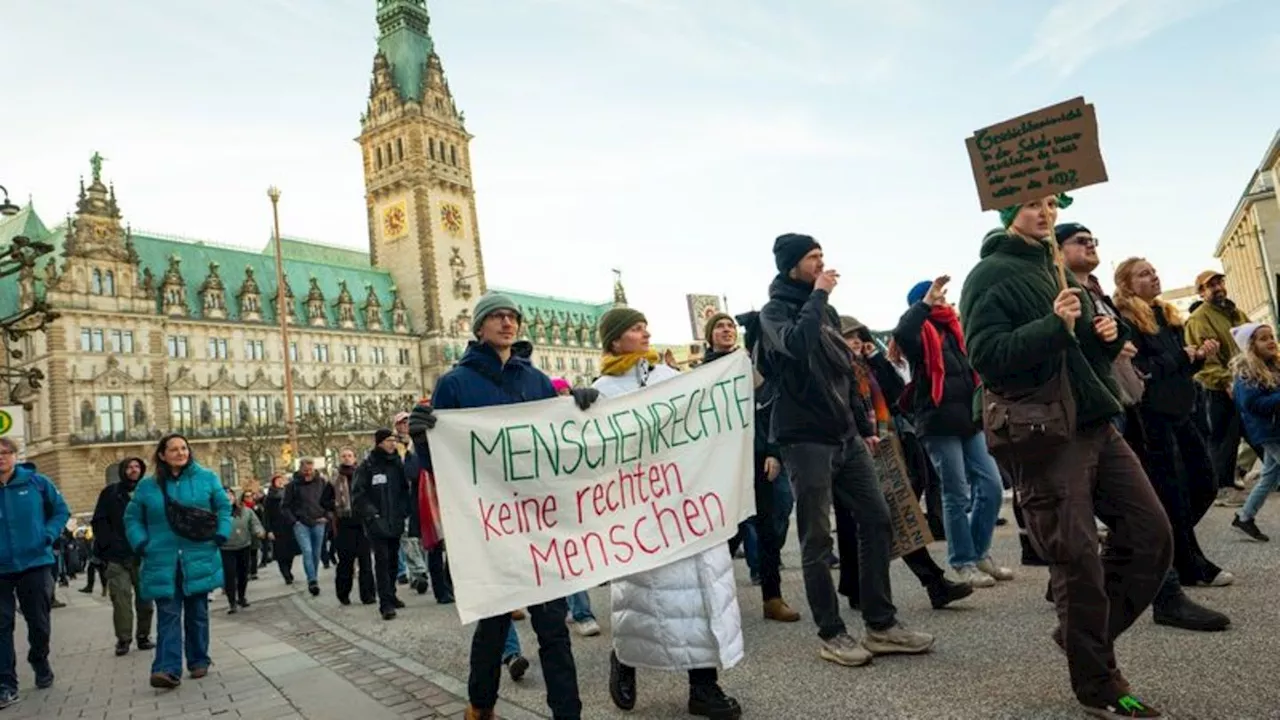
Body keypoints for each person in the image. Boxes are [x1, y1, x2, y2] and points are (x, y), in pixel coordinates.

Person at [960, 194, 1172, 718]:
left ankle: (1081, 637)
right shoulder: (988, 275)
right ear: (1008, 215)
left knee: (1151, 536)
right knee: (1076, 560)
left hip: (1097, 421)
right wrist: (1054, 325)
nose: (1045, 213)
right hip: (1046, 432)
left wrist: (1106, 334)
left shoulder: (1059, 271)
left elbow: (1086, 349)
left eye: (1051, 204)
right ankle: (1098, 684)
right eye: (1031, 205)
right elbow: (986, 355)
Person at [759, 233, 935, 669]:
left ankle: (881, 623)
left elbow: (845, 370)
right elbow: (797, 348)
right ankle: (832, 633)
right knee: (817, 537)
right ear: (791, 265)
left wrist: (861, 424)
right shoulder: (774, 311)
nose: (821, 263)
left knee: (877, 520)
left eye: (822, 255)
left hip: (846, 436)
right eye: (811, 257)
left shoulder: (828, 312)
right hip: (804, 437)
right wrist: (818, 297)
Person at [407, 291, 584, 720]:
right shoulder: (455, 383)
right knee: (493, 625)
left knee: (553, 630)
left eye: (512, 317)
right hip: (491, 527)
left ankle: (569, 714)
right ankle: (481, 706)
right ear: (479, 327)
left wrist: (583, 409)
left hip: (537, 522)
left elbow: (559, 443)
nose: (507, 323)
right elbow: (443, 463)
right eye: (497, 317)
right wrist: (421, 439)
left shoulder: (536, 380)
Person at [594, 306, 743, 720]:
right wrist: (582, 410)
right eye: (636, 328)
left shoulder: (669, 378)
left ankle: (704, 686)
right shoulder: (602, 390)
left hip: (688, 501)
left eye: (645, 326)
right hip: (641, 509)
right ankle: (624, 658)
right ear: (615, 340)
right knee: (644, 597)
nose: (646, 333)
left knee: (702, 595)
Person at [1112, 257, 1236, 600]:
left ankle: (1162, 548)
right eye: (1143, 274)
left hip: (1182, 411)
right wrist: (1182, 356)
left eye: (1154, 271)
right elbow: (1140, 371)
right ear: (1126, 284)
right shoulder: (1126, 319)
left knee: (1204, 483)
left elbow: (1179, 367)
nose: (1154, 276)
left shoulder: (1165, 315)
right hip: (1152, 418)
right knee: (1173, 495)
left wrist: (1197, 357)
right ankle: (1188, 562)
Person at [839, 317, 972, 610]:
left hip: (886, 445)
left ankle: (871, 588)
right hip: (853, 450)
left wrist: (876, 359)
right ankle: (929, 584)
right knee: (883, 517)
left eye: (859, 336)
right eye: (848, 337)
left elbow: (898, 393)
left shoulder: (867, 367)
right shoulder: (837, 370)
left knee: (892, 514)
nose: (857, 341)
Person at [894, 276, 1011, 587]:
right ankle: (962, 561)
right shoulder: (919, 335)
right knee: (956, 493)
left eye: (943, 293)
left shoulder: (956, 330)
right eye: (936, 295)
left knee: (992, 486)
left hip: (969, 421)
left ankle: (979, 551)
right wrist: (925, 303)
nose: (943, 298)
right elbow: (901, 331)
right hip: (937, 424)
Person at [702, 312, 801, 623]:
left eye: (730, 326)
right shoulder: (700, 373)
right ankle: (712, 595)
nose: (727, 330)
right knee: (725, 534)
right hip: (721, 463)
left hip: (756, 456)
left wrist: (773, 451)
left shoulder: (746, 363)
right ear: (709, 336)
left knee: (769, 528)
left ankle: (772, 597)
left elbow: (767, 404)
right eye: (719, 326)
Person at [124, 433, 232, 690]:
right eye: (173, 449)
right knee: (168, 614)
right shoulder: (148, 486)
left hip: (199, 554)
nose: (181, 453)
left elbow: (223, 507)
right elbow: (132, 518)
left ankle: (198, 659)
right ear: (162, 455)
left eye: (184, 448)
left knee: (197, 612)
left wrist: (221, 533)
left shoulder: (206, 478)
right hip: (162, 558)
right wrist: (141, 543)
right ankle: (167, 669)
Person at [0, 438, 69, 709]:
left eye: (6, 453)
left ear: (16, 456)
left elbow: (61, 511)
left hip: (35, 563)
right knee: (1, 626)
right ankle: (6, 684)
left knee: (38, 622)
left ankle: (39, 659)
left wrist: (48, 534)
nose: (1, 458)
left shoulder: (37, 483)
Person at [1184, 269, 1258, 498]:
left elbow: (1253, 340)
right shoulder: (1199, 319)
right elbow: (1207, 358)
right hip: (1218, 387)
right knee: (1225, 437)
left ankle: (1272, 473)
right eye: (1211, 285)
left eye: (1219, 283)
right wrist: (1225, 382)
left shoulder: (1236, 312)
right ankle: (1222, 488)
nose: (1217, 288)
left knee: (1258, 431)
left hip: (1247, 382)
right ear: (1202, 293)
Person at [90, 456, 155, 656]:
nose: (134, 470)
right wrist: (108, 545)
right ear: (123, 470)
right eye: (130, 467)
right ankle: (123, 639)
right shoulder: (110, 493)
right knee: (121, 600)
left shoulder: (148, 491)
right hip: (117, 557)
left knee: (146, 600)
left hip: (143, 554)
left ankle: (143, 636)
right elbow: (99, 521)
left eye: (137, 466)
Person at [352, 429, 411, 621]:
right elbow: (359, 494)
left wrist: (403, 510)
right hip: (377, 522)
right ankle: (385, 603)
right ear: (379, 443)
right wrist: (372, 514)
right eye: (388, 440)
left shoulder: (397, 464)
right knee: (382, 561)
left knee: (394, 560)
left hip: (395, 520)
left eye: (393, 440)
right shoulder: (368, 466)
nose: (392, 443)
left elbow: (404, 490)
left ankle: (391, 593)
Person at [1230, 322, 1280, 541]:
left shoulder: (1273, 366)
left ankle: (1245, 517)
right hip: (1269, 431)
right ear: (1250, 346)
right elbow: (1252, 404)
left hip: (1275, 428)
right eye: (1263, 338)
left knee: (1269, 475)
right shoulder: (1246, 372)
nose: (1270, 341)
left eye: (1272, 336)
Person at [330, 447, 375, 606]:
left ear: (355, 458)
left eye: (349, 455)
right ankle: (343, 593)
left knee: (365, 561)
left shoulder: (362, 475)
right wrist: (335, 505)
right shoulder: (334, 479)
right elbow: (324, 501)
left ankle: (368, 594)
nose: (347, 458)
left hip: (362, 522)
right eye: (344, 456)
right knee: (346, 562)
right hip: (344, 523)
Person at [282, 458, 329, 596]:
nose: (308, 473)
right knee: (307, 551)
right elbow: (285, 506)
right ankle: (312, 580)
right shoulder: (293, 485)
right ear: (301, 470)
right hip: (301, 523)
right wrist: (294, 521)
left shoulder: (321, 482)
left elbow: (329, 500)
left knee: (316, 552)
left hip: (319, 521)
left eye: (310, 470)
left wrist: (326, 516)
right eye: (305, 471)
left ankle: (313, 575)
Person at [221, 488, 264, 614]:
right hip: (226, 548)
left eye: (230, 495)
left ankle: (241, 597)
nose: (228, 498)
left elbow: (255, 523)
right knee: (230, 575)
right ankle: (232, 602)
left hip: (244, 545)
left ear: (234, 497)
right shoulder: (218, 513)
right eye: (225, 496)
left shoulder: (245, 511)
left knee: (243, 573)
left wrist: (258, 531)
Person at [263, 474, 297, 584]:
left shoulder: (288, 493)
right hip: (276, 528)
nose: (280, 482)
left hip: (289, 526)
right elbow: (266, 515)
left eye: (281, 480)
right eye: (278, 480)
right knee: (281, 553)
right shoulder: (269, 498)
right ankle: (286, 574)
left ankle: (289, 570)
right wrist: (268, 530)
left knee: (290, 552)